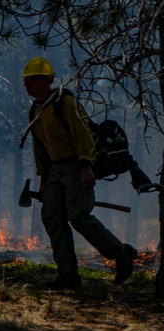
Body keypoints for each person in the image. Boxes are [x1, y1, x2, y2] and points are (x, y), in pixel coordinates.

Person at [21, 56, 137, 289]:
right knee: (52, 216)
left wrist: (86, 166)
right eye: (26, 81)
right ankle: (68, 275)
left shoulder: (64, 102)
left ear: (45, 80)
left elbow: (83, 135)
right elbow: (39, 148)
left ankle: (121, 252)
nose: (27, 84)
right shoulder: (35, 111)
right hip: (54, 170)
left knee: (78, 216)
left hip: (77, 167)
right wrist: (43, 180)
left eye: (31, 80)